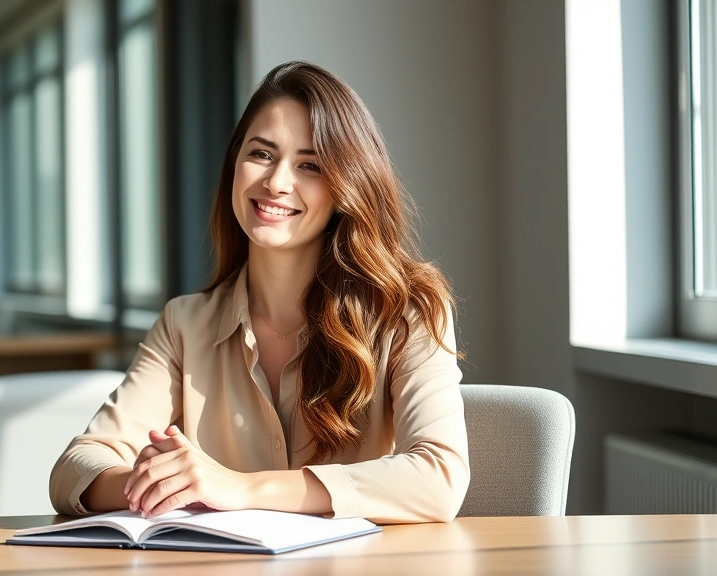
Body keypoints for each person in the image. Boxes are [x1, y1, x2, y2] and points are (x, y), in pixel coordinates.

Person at [50, 61, 469, 524]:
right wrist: (159, 482)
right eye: (261, 154)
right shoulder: (185, 325)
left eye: (309, 164)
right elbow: (75, 469)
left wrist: (240, 487)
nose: (276, 182)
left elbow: (439, 478)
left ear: (345, 188)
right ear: (235, 164)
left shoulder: (406, 313)